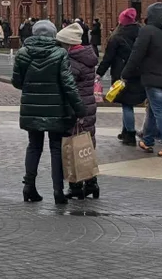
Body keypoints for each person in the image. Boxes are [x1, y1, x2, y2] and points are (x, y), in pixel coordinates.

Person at [12, 20, 85, 205]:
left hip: (31, 108)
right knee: (55, 149)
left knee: (34, 147)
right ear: (53, 35)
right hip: (57, 108)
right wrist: (79, 108)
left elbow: (16, 82)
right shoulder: (60, 53)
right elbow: (68, 84)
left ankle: (29, 187)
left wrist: (31, 87)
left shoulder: (22, 54)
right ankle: (58, 191)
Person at [122, 2, 162, 159]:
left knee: (159, 111)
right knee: (155, 111)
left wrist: (126, 73)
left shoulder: (147, 31)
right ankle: (147, 141)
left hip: (152, 78)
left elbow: (136, 54)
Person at [56, 22, 100, 200]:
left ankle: (75, 186)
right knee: (87, 145)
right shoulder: (87, 56)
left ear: (68, 44)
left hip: (76, 109)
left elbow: (67, 86)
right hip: (88, 107)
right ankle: (92, 183)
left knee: (73, 145)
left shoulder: (73, 61)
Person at [97, 8, 145, 145]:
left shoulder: (117, 37)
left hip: (122, 75)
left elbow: (108, 58)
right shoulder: (142, 33)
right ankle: (125, 131)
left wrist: (99, 73)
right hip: (139, 74)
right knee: (130, 103)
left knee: (127, 105)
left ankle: (129, 134)